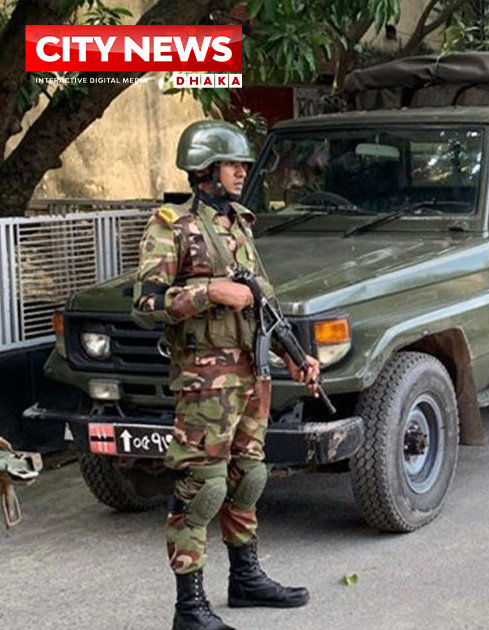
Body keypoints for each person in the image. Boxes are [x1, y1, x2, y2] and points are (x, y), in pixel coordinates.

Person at [132, 120, 318, 630]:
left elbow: (265, 304)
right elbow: (147, 305)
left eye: (241, 164)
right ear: (206, 170)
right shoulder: (171, 225)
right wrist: (209, 292)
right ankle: (189, 608)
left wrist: (298, 356)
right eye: (233, 164)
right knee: (201, 488)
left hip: (250, 374)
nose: (242, 171)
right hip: (204, 381)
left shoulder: (239, 222)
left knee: (248, 478)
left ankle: (245, 578)